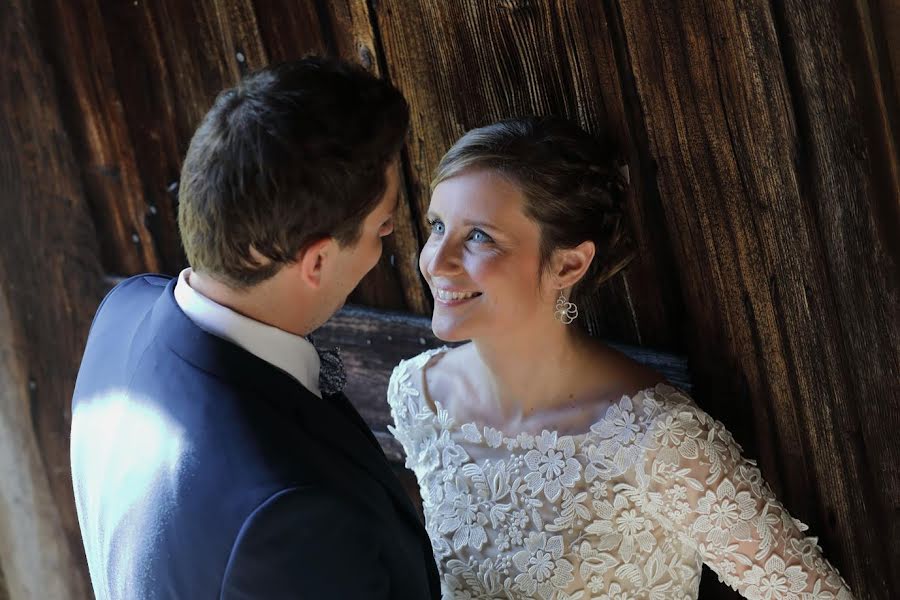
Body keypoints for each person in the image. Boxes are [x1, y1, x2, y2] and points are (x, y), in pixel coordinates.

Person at [387, 116, 854, 599]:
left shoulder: (657, 439)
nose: (435, 261)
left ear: (568, 263)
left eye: (478, 236)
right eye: (438, 226)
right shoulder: (419, 397)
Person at [70, 56, 439, 599]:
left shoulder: (122, 312)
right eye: (381, 228)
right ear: (315, 262)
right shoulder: (290, 516)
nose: (385, 243)